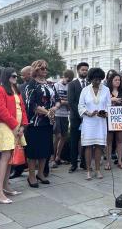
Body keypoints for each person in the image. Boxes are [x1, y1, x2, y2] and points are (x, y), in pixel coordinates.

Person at [0, 68, 28, 204]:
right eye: (13, 76)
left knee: (10, 156)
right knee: (5, 156)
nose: (15, 78)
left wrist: (23, 125)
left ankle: (5, 186)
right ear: (6, 77)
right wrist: (15, 125)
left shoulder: (17, 91)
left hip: (16, 127)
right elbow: (1, 110)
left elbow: (22, 109)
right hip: (5, 126)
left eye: (16, 76)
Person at [24, 60, 60, 188]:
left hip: (48, 122)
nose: (45, 70)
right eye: (42, 68)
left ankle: (41, 173)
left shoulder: (51, 84)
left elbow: (58, 100)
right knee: (33, 151)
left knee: (45, 149)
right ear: (36, 70)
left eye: (46, 68)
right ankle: (32, 176)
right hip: (35, 122)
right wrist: (47, 112)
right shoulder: (31, 85)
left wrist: (54, 109)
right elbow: (31, 105)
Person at [78, 68, 111, 180]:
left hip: (101, 122)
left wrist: (105, 113)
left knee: (99, 146)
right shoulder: (85, 90)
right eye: (95, 80)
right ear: (90, 79)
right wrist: (88, 113)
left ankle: (97, 170)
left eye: (99, 80)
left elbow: (109, 106)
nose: (97, 82)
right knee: (88, 146)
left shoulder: (106, 90)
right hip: (88, 121)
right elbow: (80, 106)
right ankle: (88, 170)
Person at [9, 65, 33, 180]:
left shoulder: (37, 85)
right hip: (21, 122)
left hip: (33, 121)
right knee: (19, 146)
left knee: (31, 147)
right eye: (21, 75)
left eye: (24, 75)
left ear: (30, 73)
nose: (22, 77)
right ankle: (18, 169)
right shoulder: (20, 87)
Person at [67, 62, 89, 172]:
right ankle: (73, 164)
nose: (84, 71)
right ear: (78, 71)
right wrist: (82, 114)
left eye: (86, 70)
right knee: (74, 141)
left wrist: (88, 114)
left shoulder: (90, 84)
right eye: (82, 70)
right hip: (76, 117)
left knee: (86, 141)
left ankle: (84, 163)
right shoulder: (72, 84)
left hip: (88, 118)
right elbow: (71, 102)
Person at [52, 69, 74, 168]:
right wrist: (65, 102)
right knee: (57, 136)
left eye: (69, 80)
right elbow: (56, 99)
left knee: (64, 136)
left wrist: (63, 101)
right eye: (67, 79)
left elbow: (71, 100)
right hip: (57, 113)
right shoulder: (56, 85)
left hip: (65, 114)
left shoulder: (70, 86)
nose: (67, 82)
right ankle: (53, 157)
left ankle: (58, 156)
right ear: (63, 77)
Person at [106, 72, 122, 170]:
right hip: (109, 118)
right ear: (111, 81)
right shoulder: (106, 91)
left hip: (120, 118)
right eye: (115, 80)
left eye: (119, 80)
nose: (118, 82)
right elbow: (103, 102)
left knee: (119, 140)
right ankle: (108, 162)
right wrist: (112, 99)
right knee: (109, 141)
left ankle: (119, 161)